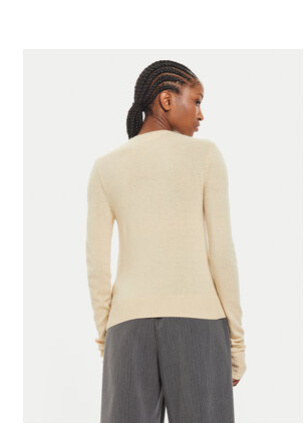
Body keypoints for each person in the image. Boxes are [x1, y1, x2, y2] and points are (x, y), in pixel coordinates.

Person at [86, 59, 247, 423]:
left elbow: (96, 265)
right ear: (166, 100)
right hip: (200, 325)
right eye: (197, 100)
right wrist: (236, 343)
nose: (201, 114)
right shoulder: (205, 156)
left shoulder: (105, 167)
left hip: (127, 328)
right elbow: (222, 253)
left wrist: (108, 338)